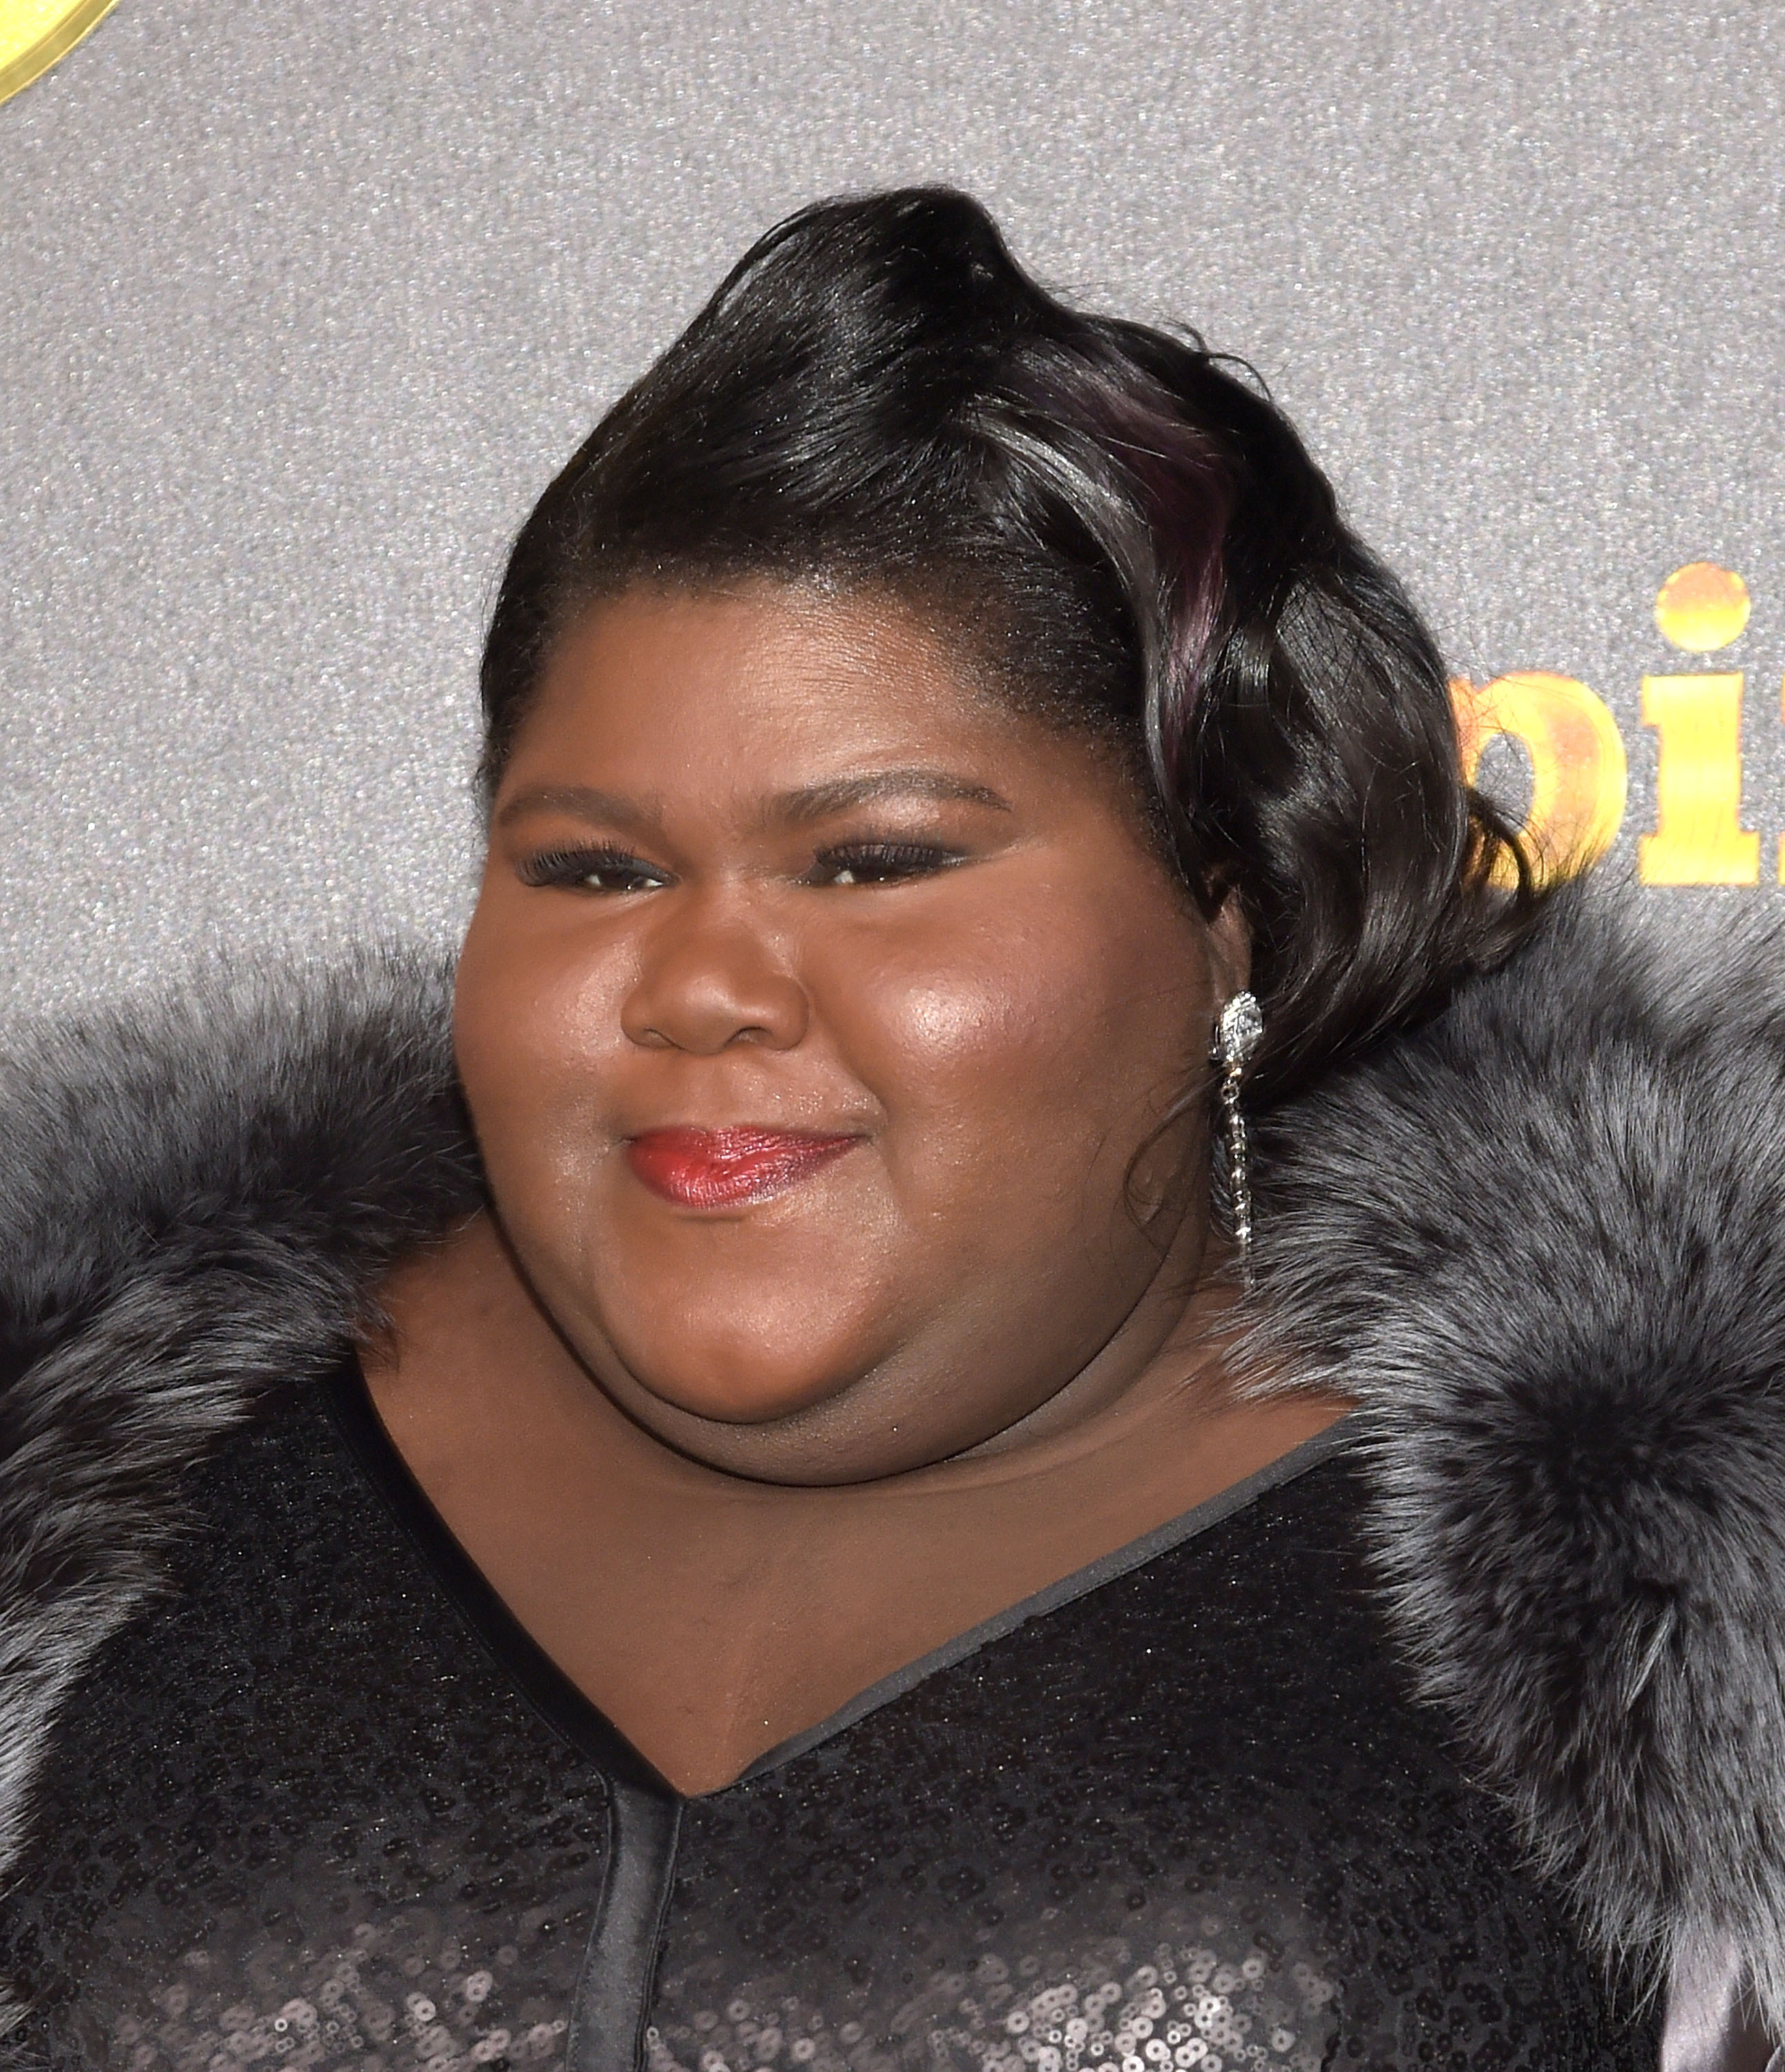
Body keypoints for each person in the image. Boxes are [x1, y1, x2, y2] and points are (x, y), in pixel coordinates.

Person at [0, 187, 1781, 2072]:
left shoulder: (1683, 1605)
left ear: (1224, 899)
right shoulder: (92, 1474)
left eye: (876, 862)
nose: (702, 983)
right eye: (593, 869)